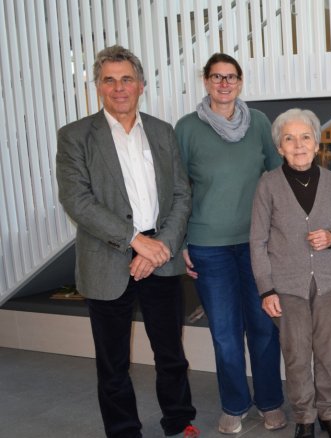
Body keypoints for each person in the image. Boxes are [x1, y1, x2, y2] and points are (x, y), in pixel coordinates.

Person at [55, 45, 199, 438]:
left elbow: (182, 195)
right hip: (108, 256)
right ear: (98, 87)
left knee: (170, 353)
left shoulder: (162, 131)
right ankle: (123, 431)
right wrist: (137, 242)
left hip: (162, 254)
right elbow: (77, 200)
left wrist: (160, 245)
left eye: (127, 79)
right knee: (113, 361)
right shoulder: (75, 137)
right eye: (110, 80)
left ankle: (178, 419)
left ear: (141, 85)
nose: (119, 88)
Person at [175, 53, 286, 434]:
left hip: (258, 244)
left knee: (264, 328)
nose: (224, 84)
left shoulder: (258, 123)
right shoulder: (187, 128)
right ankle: (235, 404)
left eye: (231, 77)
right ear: (205, 82)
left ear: (240, 82)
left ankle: (270, 401)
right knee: (225, 334)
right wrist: (182, 242)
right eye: (217, 77)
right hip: (209, 245)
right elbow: (178, 189)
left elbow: (278, 179)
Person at [251, 109, 331, 438]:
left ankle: (328, 413)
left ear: (316, 143)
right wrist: (267, 290)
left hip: (330, 284)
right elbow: (257, 241)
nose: (299, 145)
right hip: (287, 287)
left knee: (327, 352)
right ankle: (305, 418)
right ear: (279, 147)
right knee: (296, 354)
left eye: (305, 137)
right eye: (289, 139)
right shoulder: (268, 185)